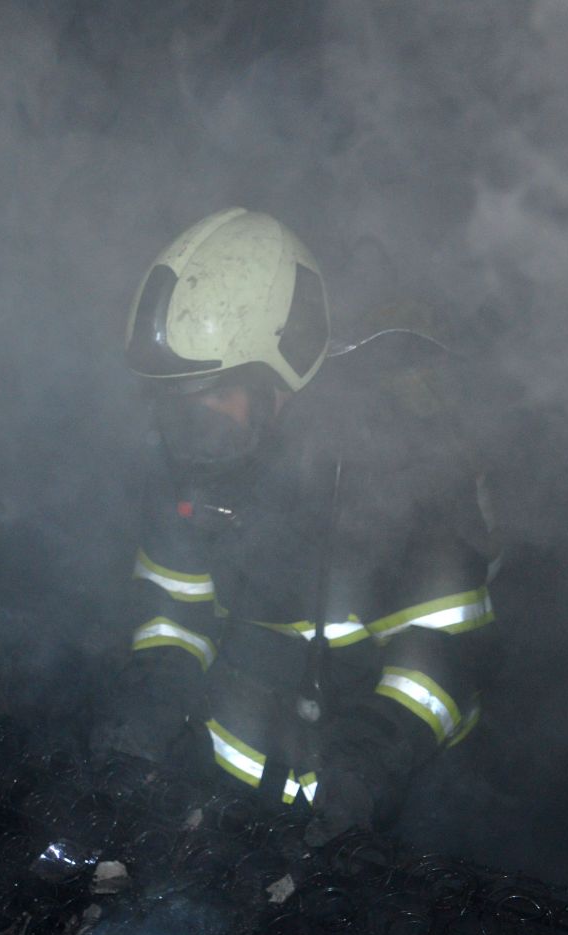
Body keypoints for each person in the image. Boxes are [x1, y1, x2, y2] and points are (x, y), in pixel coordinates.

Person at [98, 207, 497, 848]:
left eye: (213, 393)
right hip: (235, 798)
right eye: (176, 399)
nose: (191, 424)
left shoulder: (399, 466)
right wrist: (153, 701)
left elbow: (442, 649)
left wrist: (369, 763)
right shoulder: (193, 456)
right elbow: (173, 602)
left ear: (284, 372)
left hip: (404, 802)